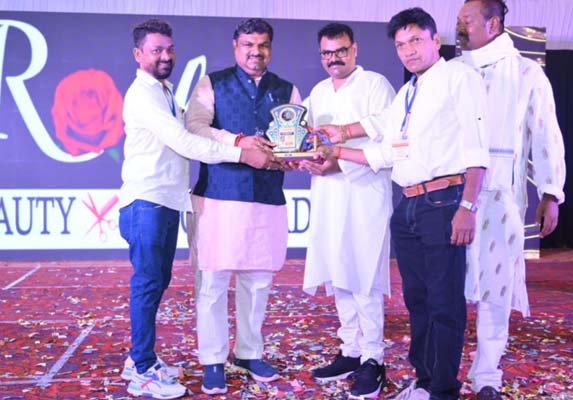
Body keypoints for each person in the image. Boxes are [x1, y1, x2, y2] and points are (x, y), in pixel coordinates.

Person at [314, 8, 489, 400]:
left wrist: (468, 206)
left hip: (444, 201)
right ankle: (425, 381)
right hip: (408, 205)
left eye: (416, 41)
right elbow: (384, 148)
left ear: (435, 40)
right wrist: (336, 145)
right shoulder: (410, 90)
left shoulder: (459, 77)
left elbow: (478, 148)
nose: (409, 51)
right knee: (418, 301)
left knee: (444, 303)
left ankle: (443, 390)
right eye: (401, 44)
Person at [118, 19, 275, 399]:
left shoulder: (164, 91)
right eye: (156, 50)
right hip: (146, 201)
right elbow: (184, 142)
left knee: (156, 282)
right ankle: (141, 369)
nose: (165, 56)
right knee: (148, 284)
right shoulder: (142, 95)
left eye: (169, 49)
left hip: (166, 201)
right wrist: (242, 153)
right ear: (138, 54)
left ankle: (140, 359)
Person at [455, 1, 566, 399]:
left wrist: (551, 192)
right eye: (458, 20)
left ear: (494, 23)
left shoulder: (525, 72)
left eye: (467, 20)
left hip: (501, 197)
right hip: (451, 195)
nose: (460, 27)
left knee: (496, 288)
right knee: (448, 288)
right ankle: (441, 369)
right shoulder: (453, 70)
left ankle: (487, 373)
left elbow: (545, 131)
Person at [184, 18, 301, 395]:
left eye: (263, 44)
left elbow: (296, 142)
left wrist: (292, 157)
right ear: (236, 47)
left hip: (266, 197)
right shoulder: (212, 83)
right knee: (213, 282)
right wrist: (237, 141)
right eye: (248, 44)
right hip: (218, 196)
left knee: (259, 280)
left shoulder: (286, 89)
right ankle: (213, 360)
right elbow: (195, 128)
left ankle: (249, 353)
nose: (256, 52)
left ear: (271, 48)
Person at [299, 23, 396, 399]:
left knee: (364, 276)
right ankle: (351, 351)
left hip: (364, 191)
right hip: (328, 192)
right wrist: (306, 159)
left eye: (340, 51)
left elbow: (389, 133)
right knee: (338, 272)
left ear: (354, 49)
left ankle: (373, 358)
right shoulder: (319, 92)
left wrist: (340, 151)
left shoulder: (375, 84)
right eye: (326, 53)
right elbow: (308, 137)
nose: (333, 59)